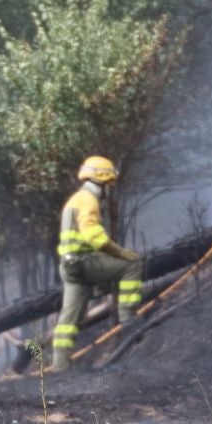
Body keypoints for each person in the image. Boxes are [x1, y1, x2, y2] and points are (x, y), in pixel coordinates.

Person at [50, 156, 144, 371]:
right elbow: (92, 235)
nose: (110, 189)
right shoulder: (88, 200)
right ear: (102, 181)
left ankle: (59, 367)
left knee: (69, 318)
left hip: (69, 267)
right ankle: (129, 319)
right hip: (84, 263)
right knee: (132, 265)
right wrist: (120, 252)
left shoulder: (74, 200)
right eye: (110, 183)